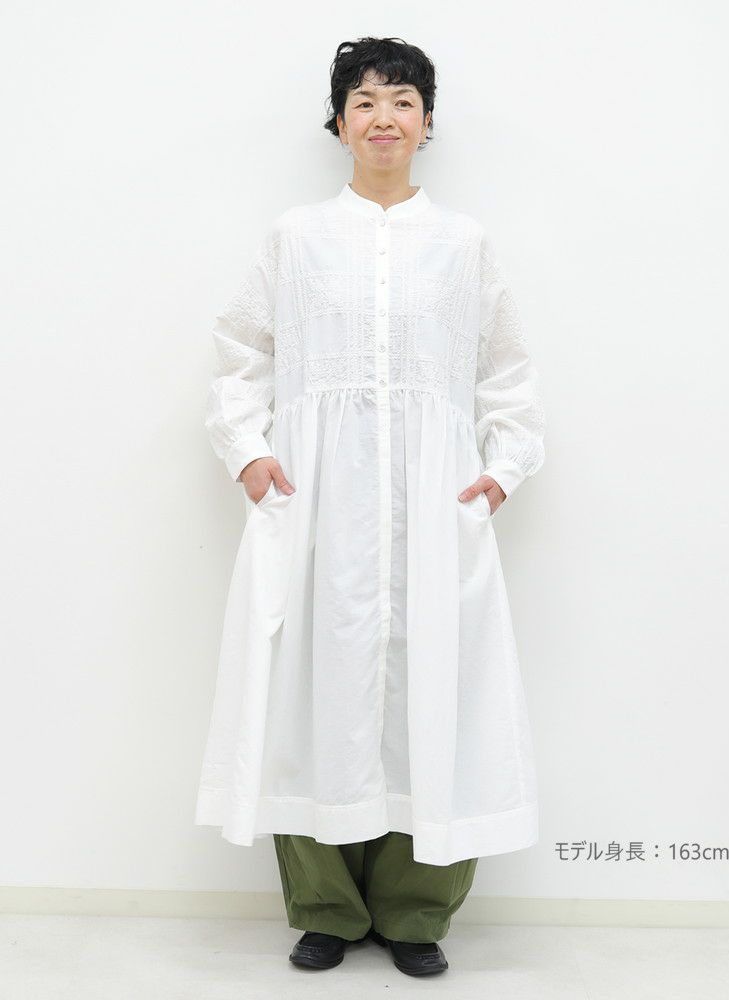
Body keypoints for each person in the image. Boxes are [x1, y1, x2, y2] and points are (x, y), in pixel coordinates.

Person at [195, 36, 547, 977]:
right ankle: (324, 908)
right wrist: (249, 452)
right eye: (364, 101)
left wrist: (503, 469)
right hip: (315, 499)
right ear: (340, 123)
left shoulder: (463, 244)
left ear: (427, 124)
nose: (383, 116)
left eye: (402, 101)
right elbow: (241, 351)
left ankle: (416, 913)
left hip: (437, 505)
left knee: (437, 689)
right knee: (313, 692)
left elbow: (508, 370)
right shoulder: (296, 237)